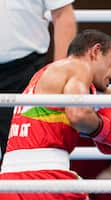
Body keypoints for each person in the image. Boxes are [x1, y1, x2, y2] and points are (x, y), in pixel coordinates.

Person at [0, 29, 111, 200]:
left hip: (8, 181)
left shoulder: (46, 76)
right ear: (95, 51)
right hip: (46, 179)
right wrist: (105, 129)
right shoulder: (79, 67)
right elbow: (78, 114)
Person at [0, 0, 77, 157]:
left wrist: (60, 74)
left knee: (22, 156)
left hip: (24, 71)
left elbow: (63, 15)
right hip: (23, 69)